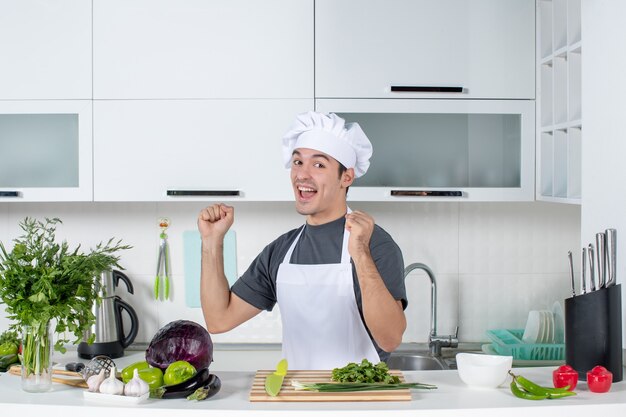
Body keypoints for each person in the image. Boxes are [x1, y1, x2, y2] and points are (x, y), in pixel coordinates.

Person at [198, 111, 407, 369]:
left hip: (357, 399)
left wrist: (361, 254)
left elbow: (390, 339)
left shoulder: (375, 244)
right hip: (297, 397)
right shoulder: (281, 250)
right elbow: (219, 320)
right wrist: (211, 242)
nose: (302, 175)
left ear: (347, 177)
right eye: (297, 162)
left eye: (318, 165)